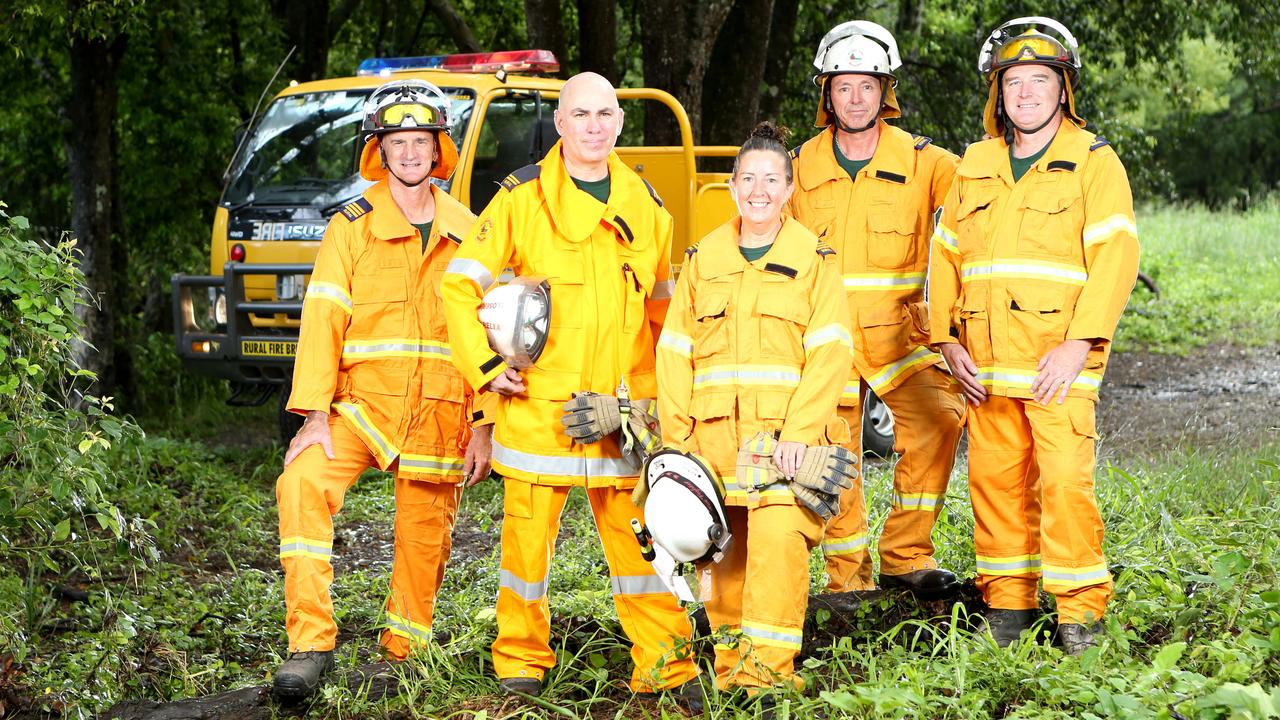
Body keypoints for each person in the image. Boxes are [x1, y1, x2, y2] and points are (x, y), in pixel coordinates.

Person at [439, 72, 701, 710]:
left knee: (644, 548)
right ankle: (520, 666)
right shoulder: (519, 200)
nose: (593, 126)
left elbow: (666, 320)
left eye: (604, 114)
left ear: (618, 122)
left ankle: (666, 669)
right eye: (579, 114)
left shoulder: (645, 205)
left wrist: (647, 407)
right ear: (559, 124)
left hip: (620, 418)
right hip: (537, 412)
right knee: (525, 555)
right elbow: (459, 286)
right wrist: (483, 368)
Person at [272, 79, 494, 700]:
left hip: (442, 413)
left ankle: (400, 656)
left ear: (438, 149)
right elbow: (323, 314)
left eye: (421, 140)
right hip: (359, 406)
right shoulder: (352, 226)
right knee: (301, 484)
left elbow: (492, 333)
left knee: (424, 538)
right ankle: (309, 644)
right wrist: (313, 415)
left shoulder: (471, 230)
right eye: (397, 141)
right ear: (380, 149)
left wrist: (485, 422)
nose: (409, 152)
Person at [929, 17, 1139, 654]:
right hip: (986, 368)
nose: (1025, 92)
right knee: (994, 487)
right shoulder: (976, 163)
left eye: (1039, 80)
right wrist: (946, 340)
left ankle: (1079, 616)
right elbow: (944, 255)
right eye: (1013, 81)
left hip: (1059, 365)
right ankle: (1009, 610)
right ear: (999, 92)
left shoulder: (1094, 164)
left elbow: (1117, 257)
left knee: (1066, 488)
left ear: (1064, 89)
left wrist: (1081, 344)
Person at [656, 122, 853, 707]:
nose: (759, 190)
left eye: (771, 179)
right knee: (720, 556)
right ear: (733, 186)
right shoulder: (703, 259)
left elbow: (831, 351)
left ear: (790, 188)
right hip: (711, 444)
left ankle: (767, 678)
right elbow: (674, 354)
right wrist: (676, 444)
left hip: (780, 447)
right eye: (748, 179)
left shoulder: (814, 259)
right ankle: (730, 668)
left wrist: (799, 434)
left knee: (775, 549)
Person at [786, 20, 965, 599]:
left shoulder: (926, 160)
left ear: (885, 90)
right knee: (837, 455)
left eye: (867, 85)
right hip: (828, 339)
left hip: (899, 335)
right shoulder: (798, 166)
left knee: (940, 421)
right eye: (843, 86)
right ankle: (848, 579)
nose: (855, 98)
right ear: (826, 93)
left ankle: (906, 555)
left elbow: (986, 202)